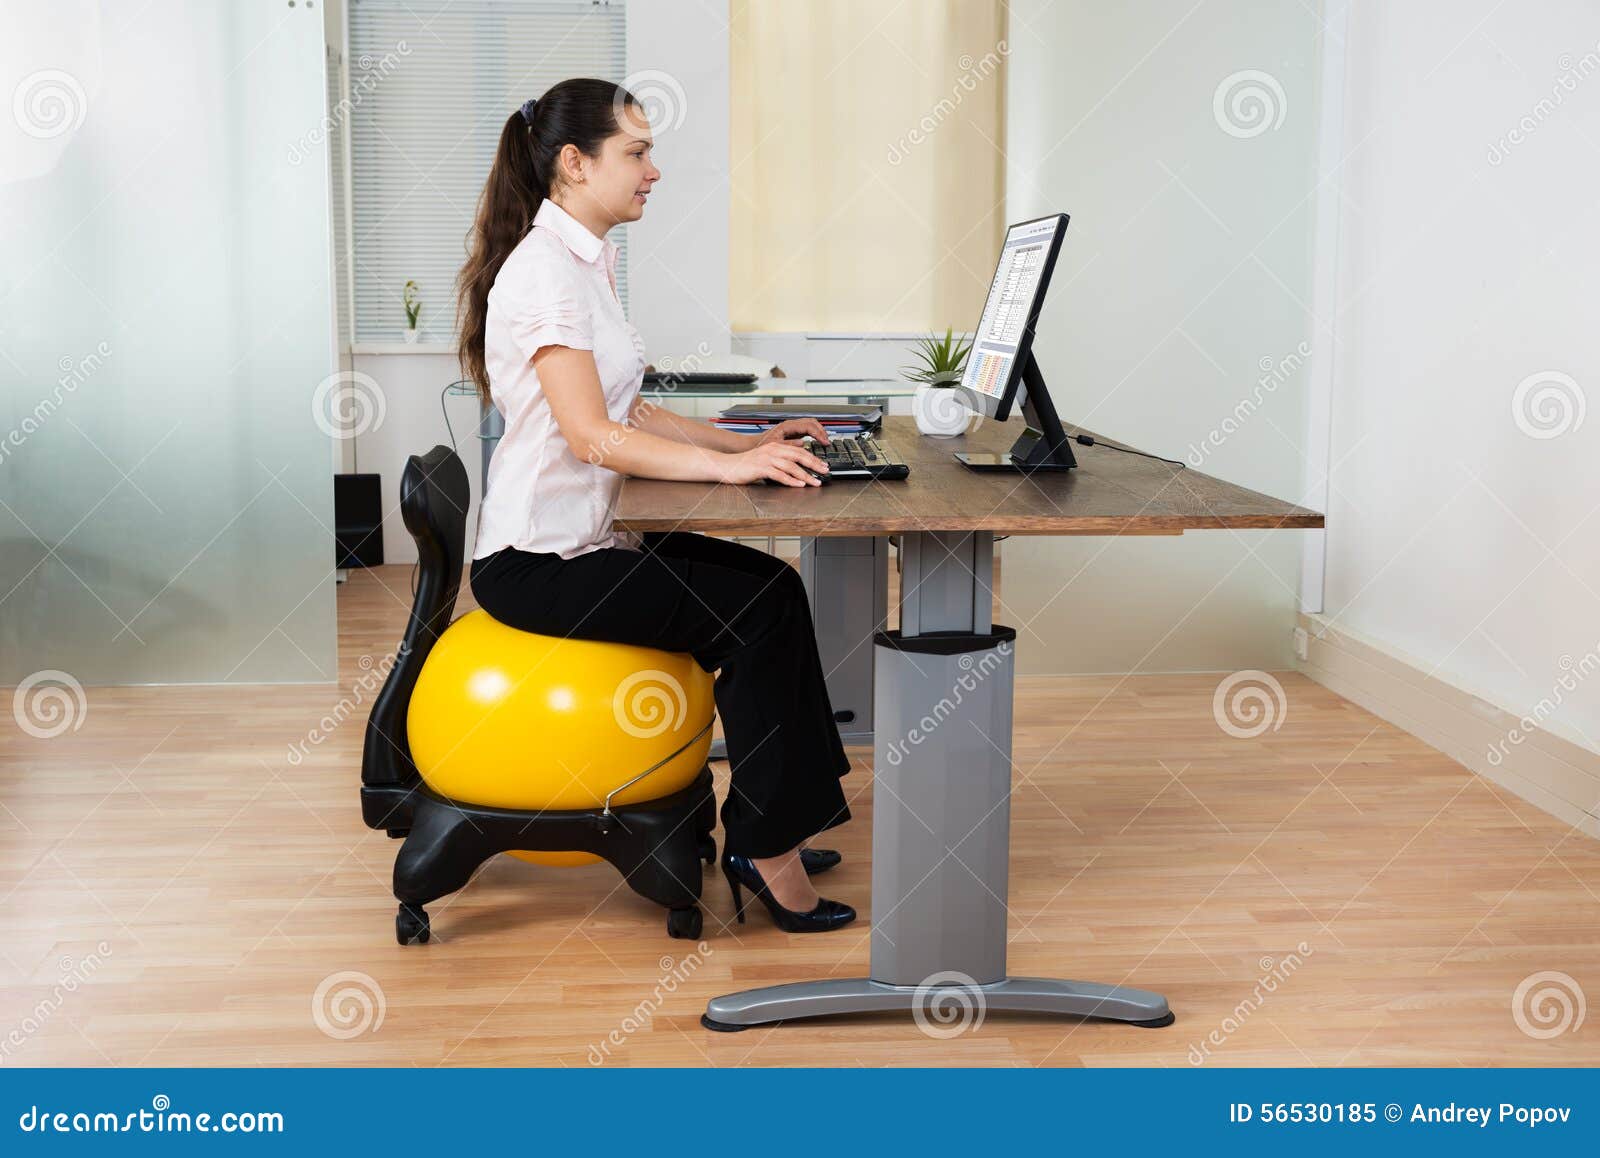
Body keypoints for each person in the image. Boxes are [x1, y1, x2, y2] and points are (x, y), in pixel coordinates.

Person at [457, 78, 854, 933]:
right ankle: (765, 849)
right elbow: (593, 437)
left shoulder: (583, 262)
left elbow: (632, 411)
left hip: (585, 543)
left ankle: (784, 820)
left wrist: (743, 444)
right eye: (636, 152)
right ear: (573, 163)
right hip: (539, 565)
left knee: (774, 592)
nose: (654, 171)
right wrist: (728, 476)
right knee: (755, 612)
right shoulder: (546, 276)